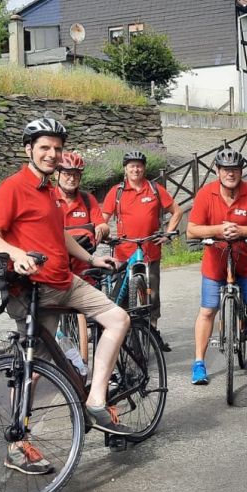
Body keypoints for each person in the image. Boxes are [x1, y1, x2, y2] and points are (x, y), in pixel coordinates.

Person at [0, 118, 137, 475]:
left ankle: (96, 400)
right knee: (30, 369)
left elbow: (60, 236)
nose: (52, 154)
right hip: (34, 289)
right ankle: (17, 446)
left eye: (57, 149)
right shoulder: (14, 187)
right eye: (45, 148)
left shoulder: (50, 191)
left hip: (65, 280)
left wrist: (91, 258)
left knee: (118, 319)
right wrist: (16, 254)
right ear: (29, 150)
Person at [186, 149, 247, 385]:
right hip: (215, 262)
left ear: (241, 172)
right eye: (226, 170)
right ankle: (199, 363)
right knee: (207, 311)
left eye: (235, 170)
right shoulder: (206, 194)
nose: (231, 174)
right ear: (218, 171)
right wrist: (219, 230)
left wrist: (242, 231)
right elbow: (192, 229)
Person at [101, 150, 184, 351]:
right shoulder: (117, 191)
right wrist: (103, 233)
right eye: (131, 165)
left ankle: (152, 332)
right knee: (119, 297)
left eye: (139, 165)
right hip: (123, 252)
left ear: (144, 168)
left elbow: (177, 210)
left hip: (150, 251)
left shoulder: (154, 189)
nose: (135, 169)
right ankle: (121, 331)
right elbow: (103, 217)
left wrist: (168, 233)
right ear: (125, 169)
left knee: (152, 295)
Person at [54, 151, 110, 363]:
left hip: (83, 270)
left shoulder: (87, 200)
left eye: (76, 174)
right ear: (57, 174)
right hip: (56, 271)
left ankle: (104, 365)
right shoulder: (50, 198)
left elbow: (101, 222)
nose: (71, 178)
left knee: (100, 321)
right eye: (67, 173)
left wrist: (102, 229)